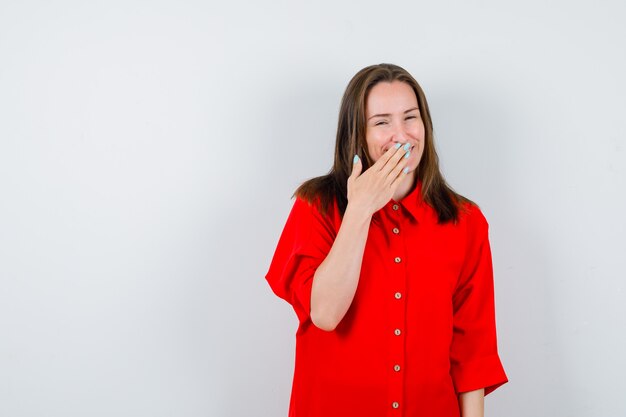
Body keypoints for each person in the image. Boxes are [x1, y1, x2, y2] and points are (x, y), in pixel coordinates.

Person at [264, 63, 508, 417]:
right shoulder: (315, 207)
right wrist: (360, 209)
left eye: (410, 118)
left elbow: (473, 352)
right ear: (357, 134)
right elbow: (326, 313)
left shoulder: (466, 222)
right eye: (381, 122)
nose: (402, 135)